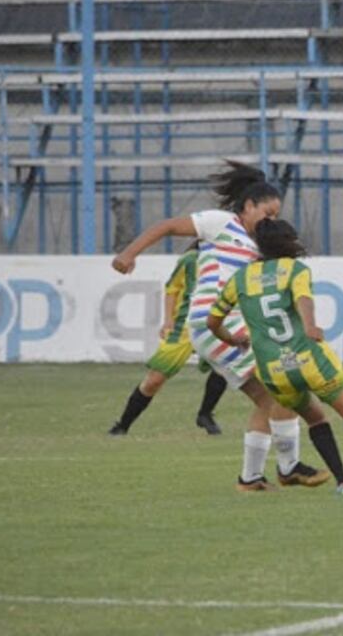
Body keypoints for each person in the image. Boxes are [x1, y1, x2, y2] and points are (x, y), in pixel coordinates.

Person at [112, 161, 330, 492]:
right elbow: (169, 226)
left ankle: (251, 478)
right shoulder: (222, 224)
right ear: (247, 206)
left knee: (269, 400)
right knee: (286, 388)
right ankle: (289, 467)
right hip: (211, 324)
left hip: (226, 331)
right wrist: (129, 253)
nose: (270, 221)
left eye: (275, 216)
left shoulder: (260, 245)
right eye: (266, 213)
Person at [206, 218, 343, 496]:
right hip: (308, 359)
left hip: (274, 371)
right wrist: (310, 325)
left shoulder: (239, 279)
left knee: (315, 419)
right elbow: (303, 299)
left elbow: (212, 322)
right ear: (289, 242)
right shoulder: (294, 269)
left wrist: (233, 339)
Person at [109, 241, 227, 436]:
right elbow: (172, 289)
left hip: (215, 324)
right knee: (155, 380)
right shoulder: (190, 260)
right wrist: (168, 321)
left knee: (225, 366)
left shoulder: (233, 260)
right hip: (185, 327)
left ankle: (205, 414)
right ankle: (123, 425)